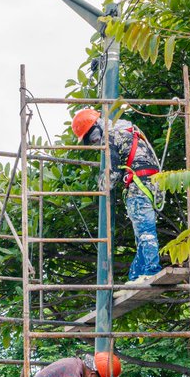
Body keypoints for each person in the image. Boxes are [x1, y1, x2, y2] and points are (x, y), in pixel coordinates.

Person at [72, 108, 163, 284]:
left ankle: (151, 271)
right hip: (153, 183)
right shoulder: (128, 129)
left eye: (92, 138)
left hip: (139, 184)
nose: (95, 143)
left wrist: (101, 184)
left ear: (97, 126)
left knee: (145, 231)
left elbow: (111, 176)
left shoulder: (111, 135)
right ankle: (137, 275)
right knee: (142, 231)